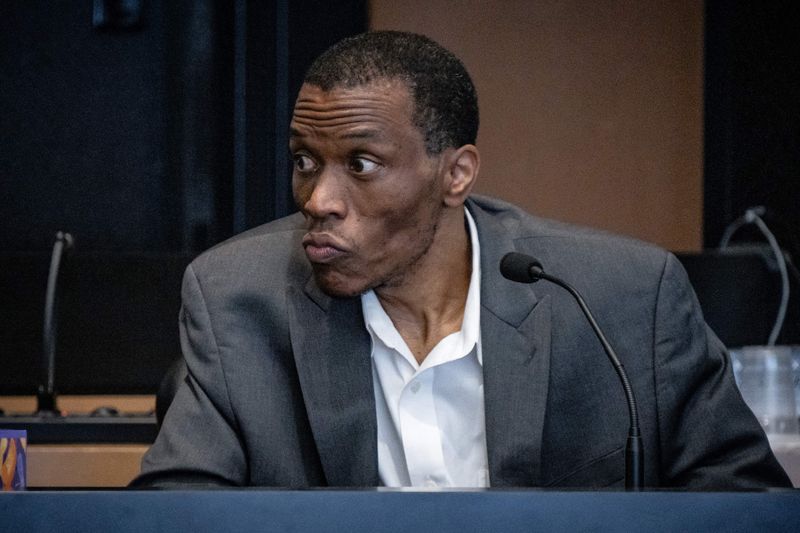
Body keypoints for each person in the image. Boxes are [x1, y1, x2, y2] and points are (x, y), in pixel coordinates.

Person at [133, 31, 790, 489]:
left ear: (456, 173)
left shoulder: (623, 298)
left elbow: (743, 505)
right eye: (305, 161)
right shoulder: (236, 301)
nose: (319, 198)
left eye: (361, 164)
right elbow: (177, 514)